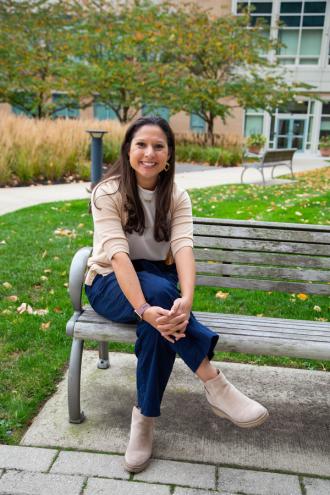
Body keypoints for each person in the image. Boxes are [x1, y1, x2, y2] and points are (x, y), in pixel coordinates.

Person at [85, 116, 268, 473]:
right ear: (127, 150)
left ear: (169, 155)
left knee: (158, 322)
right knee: (157, 300)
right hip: (108, 281)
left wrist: (186, 299)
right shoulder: (107, 192)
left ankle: (144, 422)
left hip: (159, 282)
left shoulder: (176, 196)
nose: (149, 153)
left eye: (158, 146)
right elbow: (119, 256)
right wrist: (142, 308)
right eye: (141, 145)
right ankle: (214, 383)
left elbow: (183, 248)